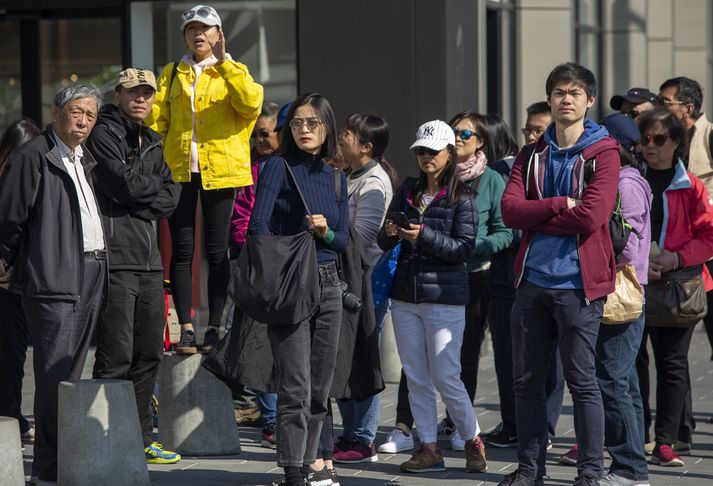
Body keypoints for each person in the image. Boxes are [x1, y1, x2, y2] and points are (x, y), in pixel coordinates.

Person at [499, 62, 621, 486]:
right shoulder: (531, 154)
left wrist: (537, 217)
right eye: (558, 92)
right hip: (532, 282)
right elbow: (510, 211)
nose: (565, 99)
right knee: (527, 382)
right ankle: (530, 470)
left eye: (574, 92)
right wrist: (556, 205)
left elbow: (592, 217)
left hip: (578, 284)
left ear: (589, 100)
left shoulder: (604, 153)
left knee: (581, 380)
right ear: (550, 100)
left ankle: (590, 472)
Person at [0, 83, 107, 484]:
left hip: (91, 272)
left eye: (91, 116)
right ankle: (47, 470)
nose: (83, 122)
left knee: (71, 377)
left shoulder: (84, 158)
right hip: (53, 277)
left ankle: (63, 462)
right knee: (53, 378)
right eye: (76, 112)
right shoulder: (33, 156)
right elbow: (9, 218)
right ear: (56, 112)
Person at [149, 4, 264, 354]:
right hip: (180, 171)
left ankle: (214, 326)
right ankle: (185, 327)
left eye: (205, 28)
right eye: (191, 29)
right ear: (184, 36)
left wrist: (225, 61)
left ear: (218, 34)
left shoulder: (234, 70)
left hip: (223, 171)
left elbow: (251, 104)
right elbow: (158, 121)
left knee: (216, 252)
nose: (198, 34)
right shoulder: (172, 73)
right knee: (182, 250)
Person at [248, 92, 348, 486]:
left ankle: (310, 465)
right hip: (292, 283)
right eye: (298, 124)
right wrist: (281, 260)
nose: (305, 130)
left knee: (321, 387)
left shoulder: (336, 176)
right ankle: (293, 473)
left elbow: (344, 242)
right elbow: (257, 227)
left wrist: (326, 232)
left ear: (327, 127)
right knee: (295, 385)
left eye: (313, 123)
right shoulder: (277, 166)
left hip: (329, 285)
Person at [377, 119, 486, 474]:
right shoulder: (407, 189)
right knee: (416, 375)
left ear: (449, 154)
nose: (425, 157)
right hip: (405, 295)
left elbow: (463, 249)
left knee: (446, 375)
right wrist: (392, 232)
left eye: (433, 151)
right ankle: (427, 446)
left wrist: (421, 236)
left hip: (444, 297)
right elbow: (383, 240)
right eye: (420, 151)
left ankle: (472, 438)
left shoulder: (464, 197)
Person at [86, 68, 182, 464]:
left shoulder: (154, 141)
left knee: (148, 355)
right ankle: (105, 441)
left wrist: (139, 193)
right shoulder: (102, 132)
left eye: (147, 93)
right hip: (116, 259)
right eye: (133, 92)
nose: (140, 99)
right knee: (116, 356)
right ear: (118, 95)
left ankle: (142, 438)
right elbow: (121, 184)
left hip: (148, 262)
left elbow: (171, 196)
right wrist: (144, 191)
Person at [560, 112, 653, 486]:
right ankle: (630, 465)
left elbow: (628, 248)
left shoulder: (627, 183)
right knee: (620, 381)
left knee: (611, 381)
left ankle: (630, 468)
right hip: (610, 293)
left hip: (620, 295)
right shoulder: (618, 179)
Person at [481, 113, 565, 451]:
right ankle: (513, 424)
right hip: (507, 277)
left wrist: (531, 217)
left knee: (553, 361)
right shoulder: (508, 168)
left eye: (538, 129)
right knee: (509, 358)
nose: (531, 135)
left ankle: (545, 428)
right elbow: (505, 217)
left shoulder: (562, 167)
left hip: (554, 274)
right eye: (528, 129)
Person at [637, 108, 713, 467]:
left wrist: (675, 259)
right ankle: (636, 434)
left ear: (676, 143)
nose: (650, 147)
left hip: (678, 288)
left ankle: (667, 441)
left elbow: (709, 236)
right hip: (633, 284)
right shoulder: (630, 178)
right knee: (632, 363)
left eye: (659, 139)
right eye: (645, 140)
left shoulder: (691, 186)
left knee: (673, 364)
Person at [333, 114, 396, 464]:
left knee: (364, 355)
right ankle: (349, 433)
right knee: (343, 355)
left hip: (365, 281)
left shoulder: (374, 181)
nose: (342, 138)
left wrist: (327, 233)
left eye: (347, 134)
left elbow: (362, 238)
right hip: (343, 280)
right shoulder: (349, 176)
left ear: (366, 146)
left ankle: (363, 436)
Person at [230, 101, 281, 448]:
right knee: (261, 346)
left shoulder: (295, 167)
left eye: (266, 133)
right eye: (255, 134)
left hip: (295, 268)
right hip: (259, 267)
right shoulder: (249, 171)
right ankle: (271, 420)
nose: (260, 140)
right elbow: (239, 222)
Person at [658, 76, 713, 361]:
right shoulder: (666, 139)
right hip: (680, 250)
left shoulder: (709, 135)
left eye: (665, 102)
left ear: (688, 107)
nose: (659, 107)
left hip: (708, 241)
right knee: (676, 351)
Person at [0, 117, 41, 449]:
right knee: (11, 356)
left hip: (17, 280)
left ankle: (13, 416)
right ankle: (11, 418)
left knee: (13, 357)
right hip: (7, 282)